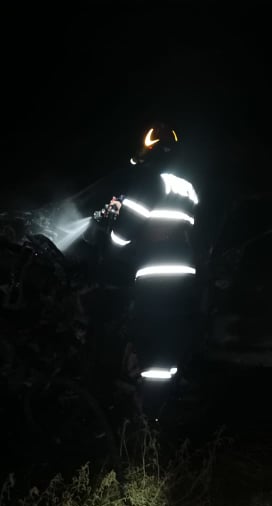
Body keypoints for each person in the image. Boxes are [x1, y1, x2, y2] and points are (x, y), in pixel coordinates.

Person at [92, 122, 203, 402]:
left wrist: (109, 246)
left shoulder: (151, 181)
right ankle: (166, 400)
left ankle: (149, 409)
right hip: (184, 273)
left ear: (151, 152)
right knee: (170, 336)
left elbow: (125, 232)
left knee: (150, 336)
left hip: (156, 273)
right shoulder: (188, 188)